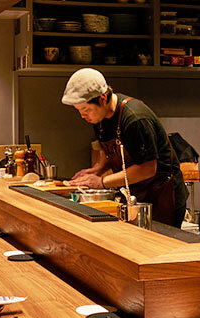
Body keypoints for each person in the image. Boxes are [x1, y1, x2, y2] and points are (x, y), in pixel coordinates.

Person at [62, 68, 188, 227]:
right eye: (79, 111)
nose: (82, 116)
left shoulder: (135, 118)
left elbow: (147, 168)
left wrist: (101, 182)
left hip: (162, 195)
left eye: (86, 110)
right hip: (135, 193)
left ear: (102, 99)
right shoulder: (100, 117)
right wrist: (97, 170)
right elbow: (109, 150)